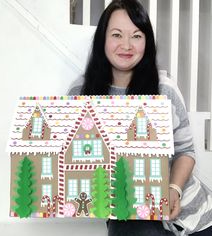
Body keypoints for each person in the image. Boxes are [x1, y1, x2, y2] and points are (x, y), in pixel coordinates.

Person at [68, 0, 212, 235]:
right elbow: (72, 162)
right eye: (116, 34)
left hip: (194, 214)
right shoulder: (81, 94)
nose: (126, 45)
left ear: (147, 42)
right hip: (130, 215)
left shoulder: (164, 88)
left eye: (136, 36)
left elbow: (185, 151)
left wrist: (173, 189)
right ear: (102, 39)